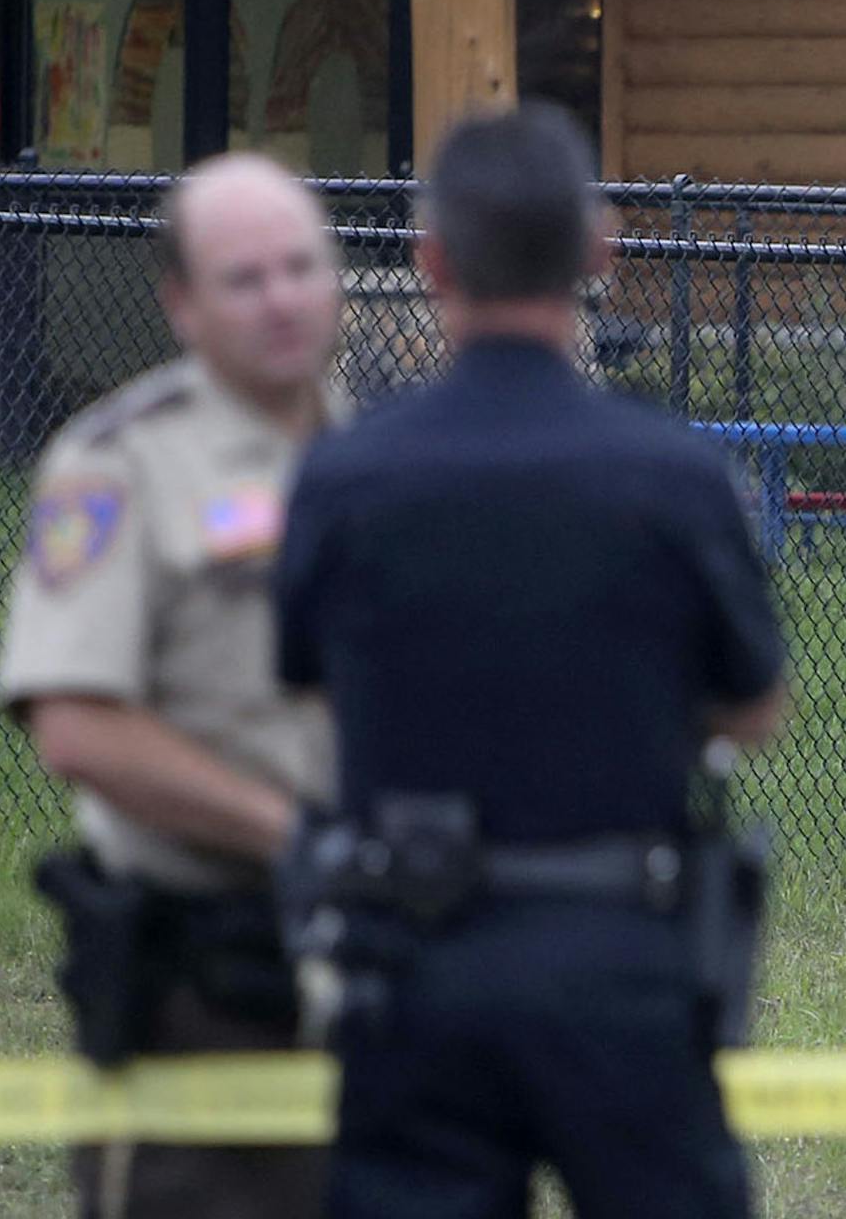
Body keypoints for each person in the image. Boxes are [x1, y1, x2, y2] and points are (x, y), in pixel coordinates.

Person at [275, 103, 788, 1219]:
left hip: (408, 959)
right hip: (620, 957)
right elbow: (754, 706)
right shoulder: (675, 478)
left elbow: (307, 682)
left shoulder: (347, 476)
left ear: (430, 262)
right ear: (600, 252)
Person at [0, 153, 344, 1219]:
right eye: (244, 279)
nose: (282, 299)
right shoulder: (115, 467)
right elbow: (76, 726)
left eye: (302, 266)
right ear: (181, 305)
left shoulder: (377, 456)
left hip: (378, 962)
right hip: (208, 969)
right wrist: (289, 835)